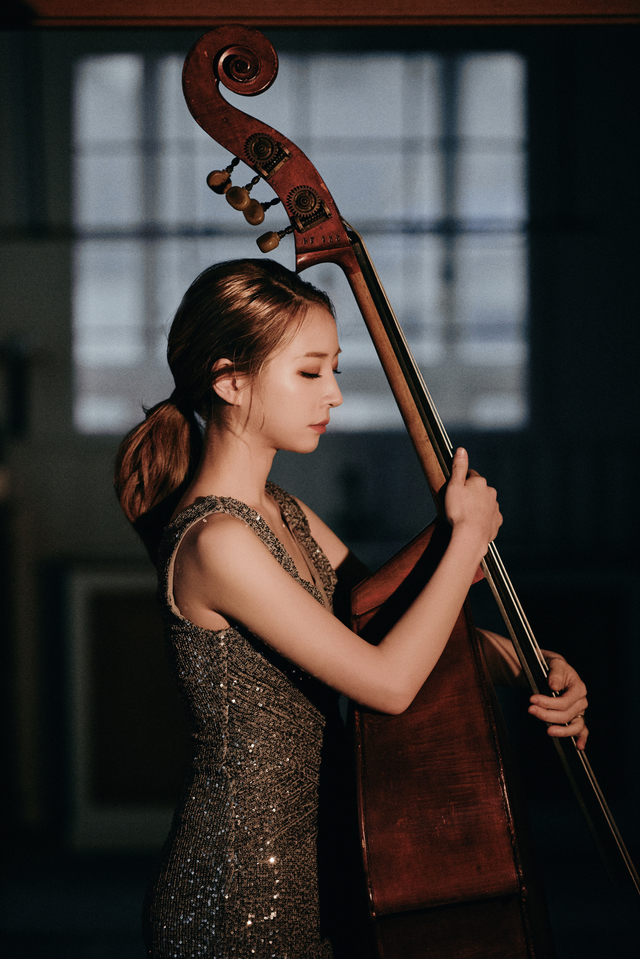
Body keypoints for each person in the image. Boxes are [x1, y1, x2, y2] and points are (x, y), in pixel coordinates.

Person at [115, 259, 588, 959]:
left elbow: (401, 628)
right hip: (239, 902)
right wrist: (464, 544)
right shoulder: (216, 542)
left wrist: (529, 661)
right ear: (230, 379)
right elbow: (387, 682)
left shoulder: (285, 513)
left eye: (334, 369)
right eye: (310, 372)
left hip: (328, 873)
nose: (334, 393)